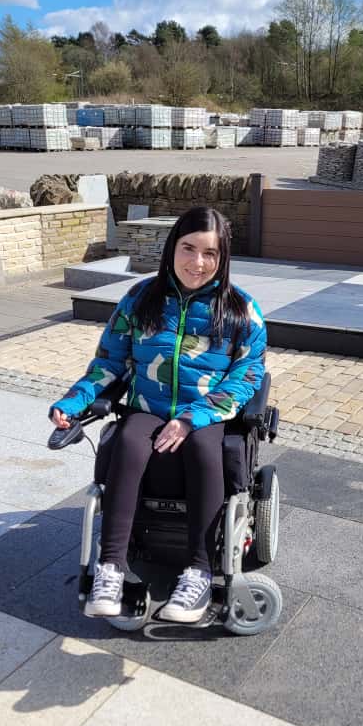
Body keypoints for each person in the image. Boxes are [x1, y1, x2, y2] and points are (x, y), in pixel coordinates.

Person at [49, 206, 266, 623]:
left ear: (223, 259)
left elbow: (246, 377)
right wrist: (73, 402)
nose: (197, 262)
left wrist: (191, 418)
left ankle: (199, 571)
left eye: (210, 253)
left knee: (205, 450)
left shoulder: (241, 311)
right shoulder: (140, 299)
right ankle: (110, 567)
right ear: (172, 249)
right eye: (188, 248)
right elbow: (109, 363)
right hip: (148, 406)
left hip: (206, 414)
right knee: (128, 442)